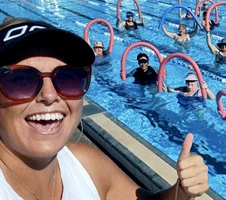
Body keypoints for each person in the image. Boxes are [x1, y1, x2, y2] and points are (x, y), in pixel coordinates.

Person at [0, 18, 209, 199]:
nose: (49, 95)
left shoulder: (86, 163)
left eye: (67, 77)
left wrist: (181, 192)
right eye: (21, 80)